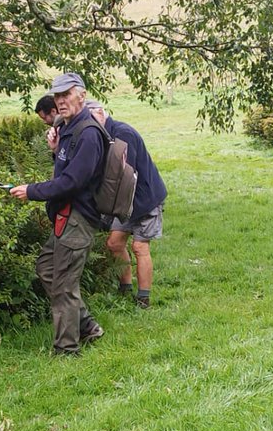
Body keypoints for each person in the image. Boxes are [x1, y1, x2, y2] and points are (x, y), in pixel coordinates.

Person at [11, 74, 106, 356]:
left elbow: (73, 182)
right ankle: (87, 326)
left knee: (64, 285)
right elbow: (66, 171)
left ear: (82, 95)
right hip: (66, 216)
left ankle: (67, 350)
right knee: (46, 268)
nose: (61, 100)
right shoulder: (68, 127)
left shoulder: (88, 133)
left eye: (66, 94)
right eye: (57, 96)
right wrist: (55, 152)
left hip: (79, 218)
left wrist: (32, 191)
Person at [86, 101, 167, 308]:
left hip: (145, 198)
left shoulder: (123, 134)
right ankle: (125, 288)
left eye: (92, 119)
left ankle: (143, 299)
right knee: (114, 244)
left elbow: (124, 176)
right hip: (124, 201)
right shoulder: (101, 135)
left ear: (102, 113)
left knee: (139, 246)